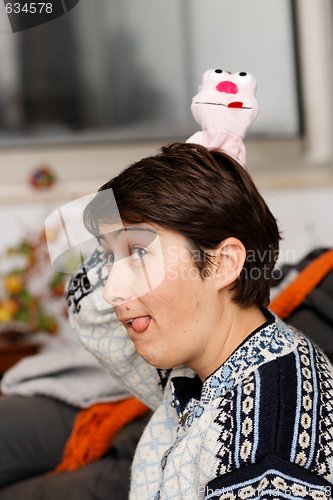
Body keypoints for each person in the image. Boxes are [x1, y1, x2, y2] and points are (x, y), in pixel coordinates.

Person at [67, 142, 333, 500]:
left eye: (139, 253)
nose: (110, 290)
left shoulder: (266, 454)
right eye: (109, 257)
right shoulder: (208, 361)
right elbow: (87, 312)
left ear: (223, 263)